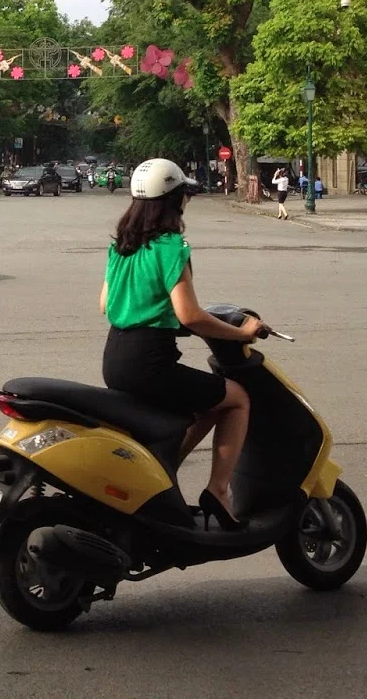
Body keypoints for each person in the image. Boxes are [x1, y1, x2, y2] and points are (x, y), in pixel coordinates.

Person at [100, 159, 266, 530]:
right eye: (184, 197)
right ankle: (219, 490)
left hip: (115, 359)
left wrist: (158, 312)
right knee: (236, 397)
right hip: (150, 363)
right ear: (173, 202)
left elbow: (106, 305)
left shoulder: (122, 246)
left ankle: (161, 472)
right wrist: (242, 333)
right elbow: (189, 314)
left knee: (206, 405)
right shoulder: (171, 246)